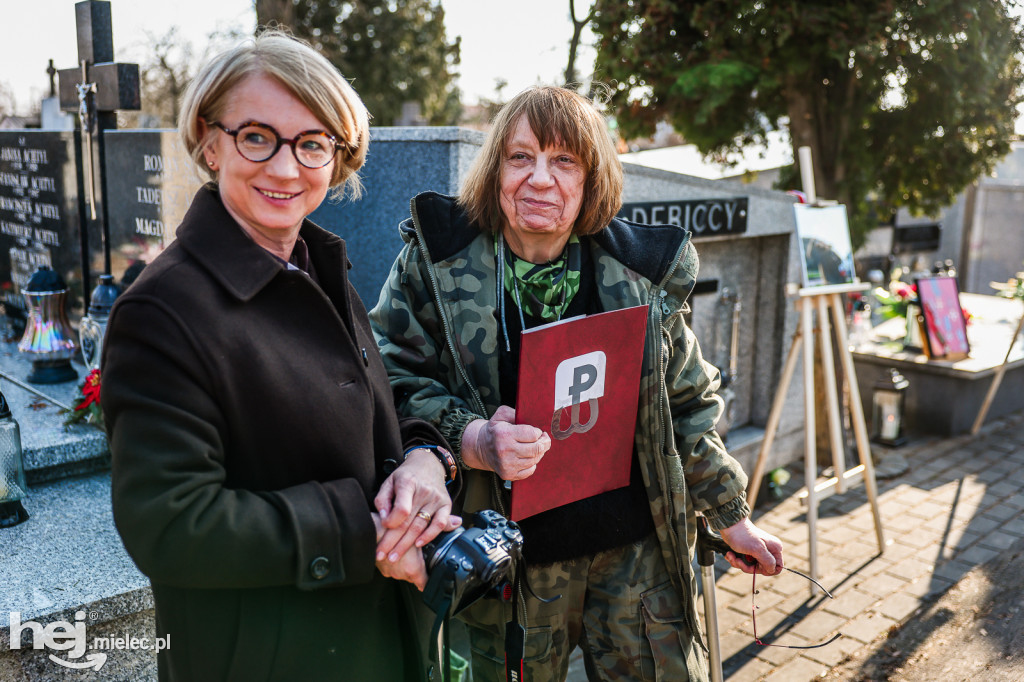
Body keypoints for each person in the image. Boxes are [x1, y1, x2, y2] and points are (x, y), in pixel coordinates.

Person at [369, 86, 784, 682]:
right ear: (496, 170)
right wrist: (475, 437)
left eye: (564, 161)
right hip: (507, 564)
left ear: (592, 180)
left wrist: (729, 514)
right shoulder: (435, 266)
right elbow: (390, 378)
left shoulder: (639, 275)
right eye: (521, 157)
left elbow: (686, 400)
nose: (539, 179)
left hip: (634, 556)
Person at [101, 31, 461, 681]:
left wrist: (424, 459)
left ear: (337, 156)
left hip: (374, 642)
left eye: (312, 143)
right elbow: (169, 525)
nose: (287, 168)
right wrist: (364, 534)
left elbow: (365, 422)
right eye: (257, 136)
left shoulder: (317, 269)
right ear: (210, 141)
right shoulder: (162, 312)